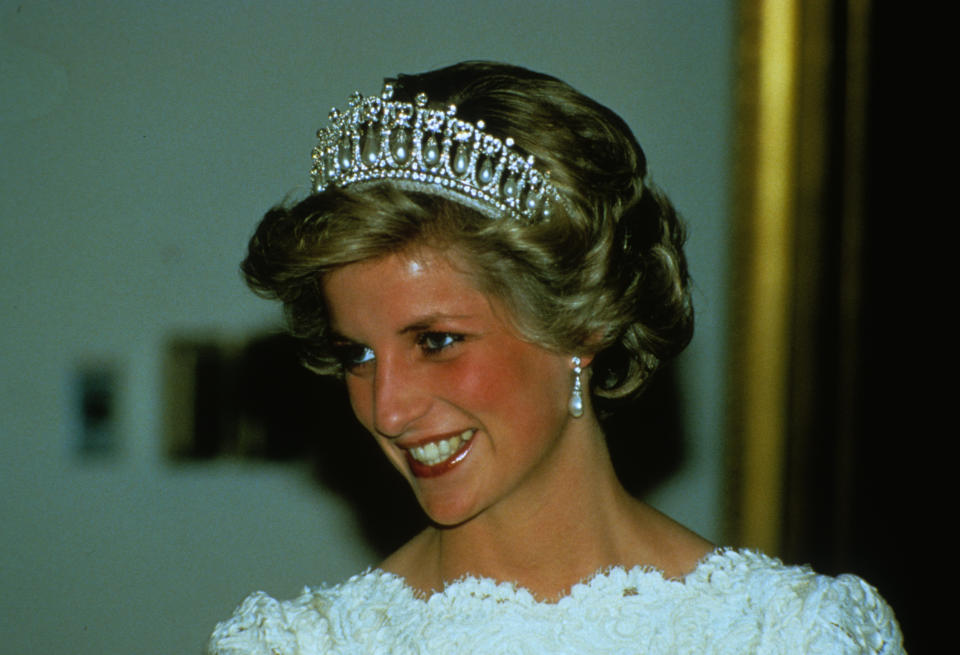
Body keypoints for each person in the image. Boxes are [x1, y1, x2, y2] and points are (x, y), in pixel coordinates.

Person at [208, 62, 903, 654]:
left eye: (435, 341)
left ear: (580, 323)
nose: (387, 407)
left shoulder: (793, 635)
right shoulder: (299, 644)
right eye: (357, 353)